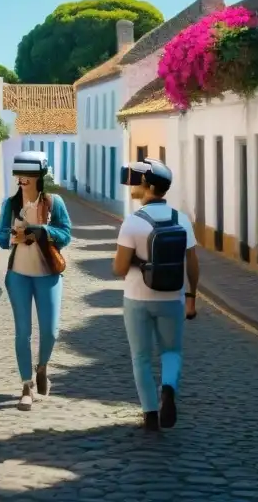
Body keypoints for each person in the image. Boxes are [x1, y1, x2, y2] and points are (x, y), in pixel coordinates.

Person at [112, 158, 200, 431]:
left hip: (137, 299)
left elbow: (119, 268)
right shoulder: (181, 219)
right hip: (172, 298)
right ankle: (169, 389)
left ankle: (150, 413)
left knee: (140, 356)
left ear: (148, 186)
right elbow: (193, 264)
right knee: (171, 351)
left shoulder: (132, 223)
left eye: (136, 181)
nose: (131, 186)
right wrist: (191, 297)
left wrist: (139, 262)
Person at [0, 151, 73, 410]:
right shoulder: (11, 204)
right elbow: (0, 237)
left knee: (50, 331)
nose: (22, 180)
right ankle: (26, 385)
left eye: (27, 175)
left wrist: (42, 231)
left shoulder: (54, 203)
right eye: (19, 175)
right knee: (22, 332)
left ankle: (42, 367)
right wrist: (12, 237)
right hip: (18, 275)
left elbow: (66, 234)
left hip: (48, 275)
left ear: (39, 176)